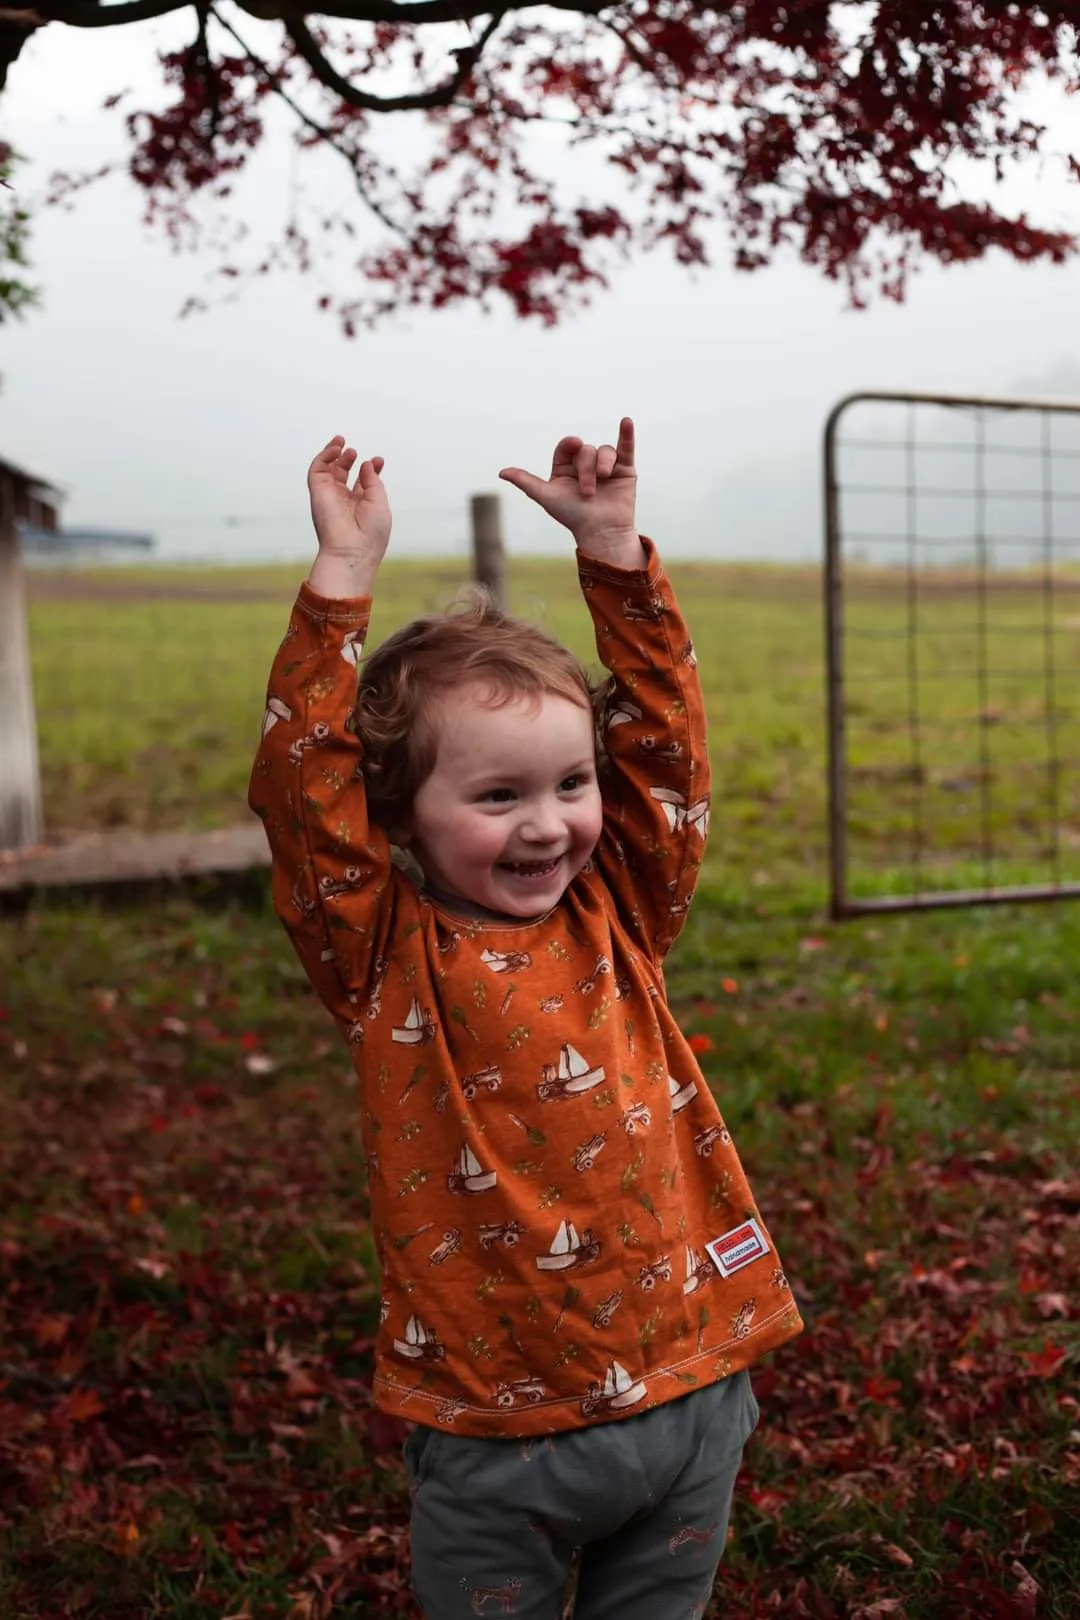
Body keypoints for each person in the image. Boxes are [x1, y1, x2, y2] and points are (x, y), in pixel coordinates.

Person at [249, 418, 803, 1620]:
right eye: (498, 795)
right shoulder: (384, 953)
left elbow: (670, 758)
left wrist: (613, 557)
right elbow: (303, 797)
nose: (548, 824)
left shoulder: (623, 913)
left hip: (691, 1387)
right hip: (500, 1427)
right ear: (401, 811)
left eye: (569, 782)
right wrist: (341, 583)